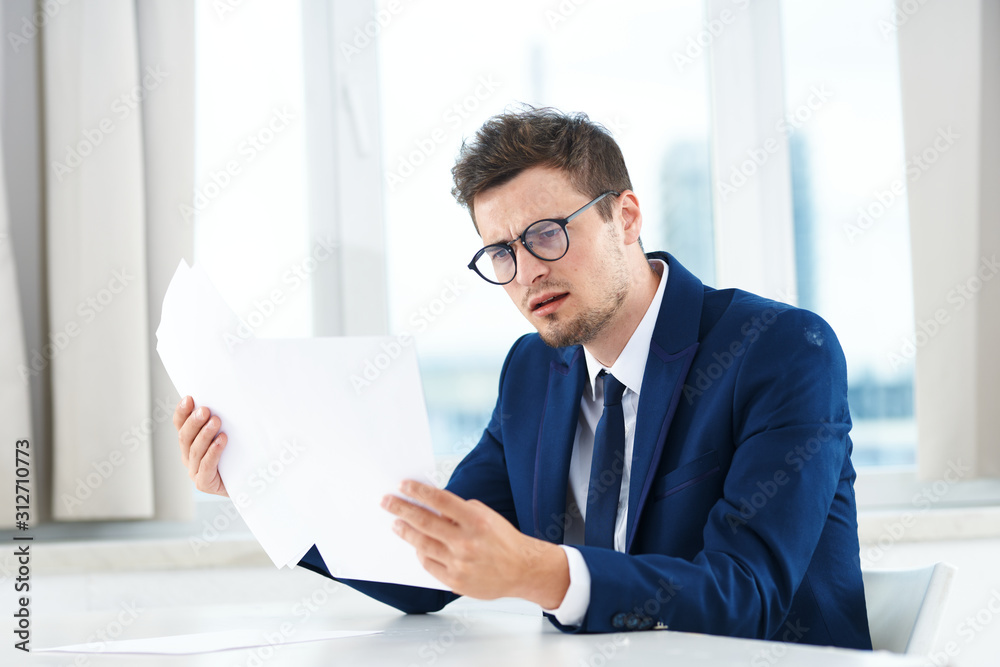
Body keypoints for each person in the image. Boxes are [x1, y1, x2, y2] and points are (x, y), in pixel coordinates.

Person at [173, 107, 871, 649]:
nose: (527, 270)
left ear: (624, 216)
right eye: (500, 252)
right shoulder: (534, 372)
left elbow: (745, 595)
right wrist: (261, 485)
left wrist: (535, 570)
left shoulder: (781, 349)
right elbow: (426, 566)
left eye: (546, 232)